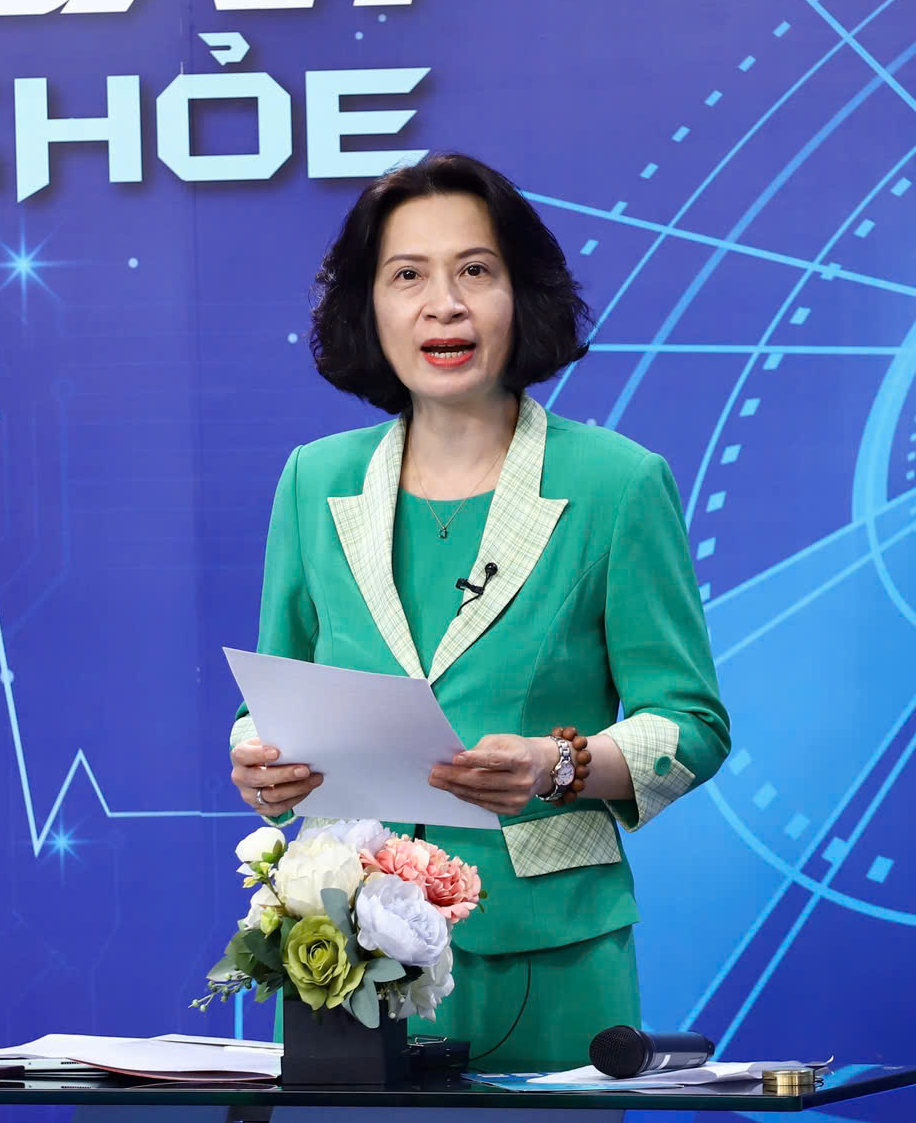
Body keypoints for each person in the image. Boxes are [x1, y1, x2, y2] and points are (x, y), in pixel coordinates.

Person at [229, 152, 731, 1073]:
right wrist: (261, 762)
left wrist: (559, 765)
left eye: (475, 271)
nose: (444, 305)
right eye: (407, 276)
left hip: (549, 949)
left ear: (520, 296)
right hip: (345, 946)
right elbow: (272, 696)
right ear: (369, 307)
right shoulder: (314, 481)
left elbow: (692, 723)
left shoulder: (617, 483)